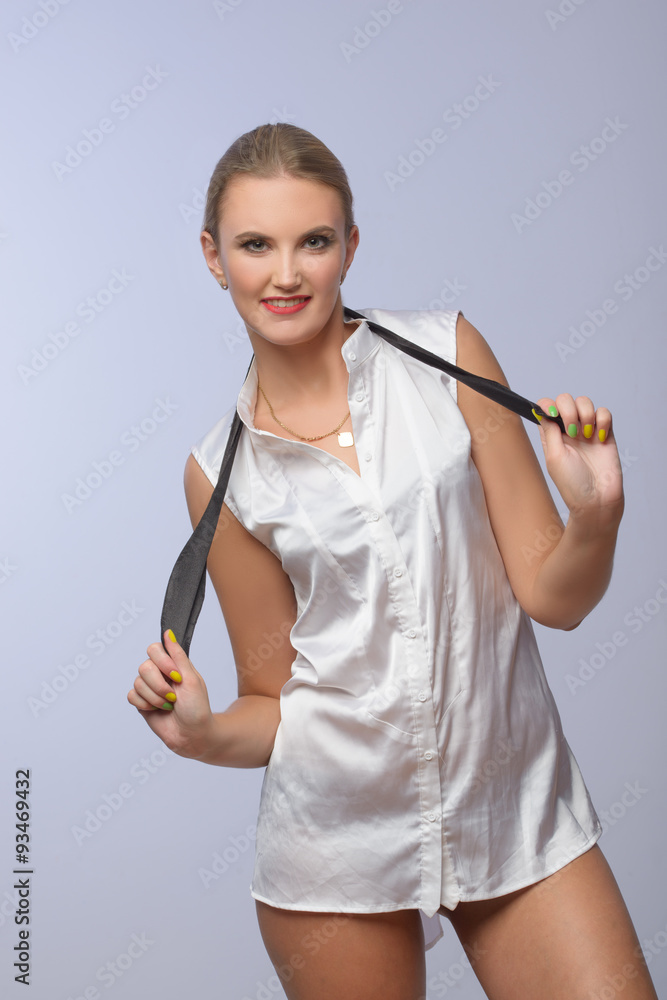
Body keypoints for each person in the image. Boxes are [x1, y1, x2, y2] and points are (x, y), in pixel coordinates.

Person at [127, 123, 657, 1000]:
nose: (286, 274)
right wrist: (203, 734)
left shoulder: (450, 359)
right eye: (255, 244)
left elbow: (552, 597)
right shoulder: (215, 475)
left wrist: (595, 511)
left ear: (349, 246)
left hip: (514, 809)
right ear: (214, 257)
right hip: (332, 850)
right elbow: (276, 701)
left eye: (314, 241)